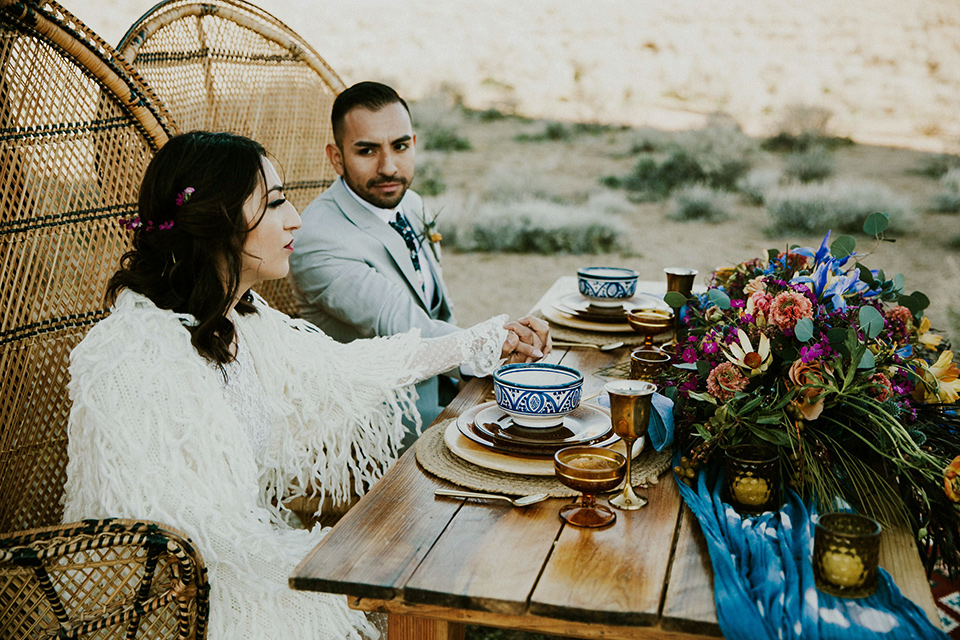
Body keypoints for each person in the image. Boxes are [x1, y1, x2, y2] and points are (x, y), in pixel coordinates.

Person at [62, 131, 546, 640]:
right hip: (181, 602)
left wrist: (483, 342)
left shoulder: (241, 323)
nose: (295, 218)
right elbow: (168, 537)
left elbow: (345, 371)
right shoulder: (133, 354)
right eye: (273, 203)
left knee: (419, 568)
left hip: (248, 554)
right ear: (217, 221)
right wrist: (326, 557)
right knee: (404, 580)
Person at [289, 82, 550, 441]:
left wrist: (491, 359)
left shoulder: (411, 204)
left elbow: (439, 312)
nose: (388, 167)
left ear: (413, 142)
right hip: (382, 427)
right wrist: (494, 343)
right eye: (367, 151)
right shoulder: (319, 239)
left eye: (399, 146)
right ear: (336, 157)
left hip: (453, 394)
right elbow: (403, 324)